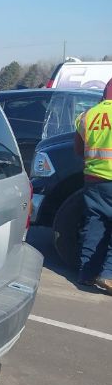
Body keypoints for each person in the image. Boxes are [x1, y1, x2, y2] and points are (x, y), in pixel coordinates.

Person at [75, 78, 112, 292]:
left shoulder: (87, 116)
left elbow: (79, 151)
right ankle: (108, 274)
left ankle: (86, 274)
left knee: (95, 224)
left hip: (93, 179)